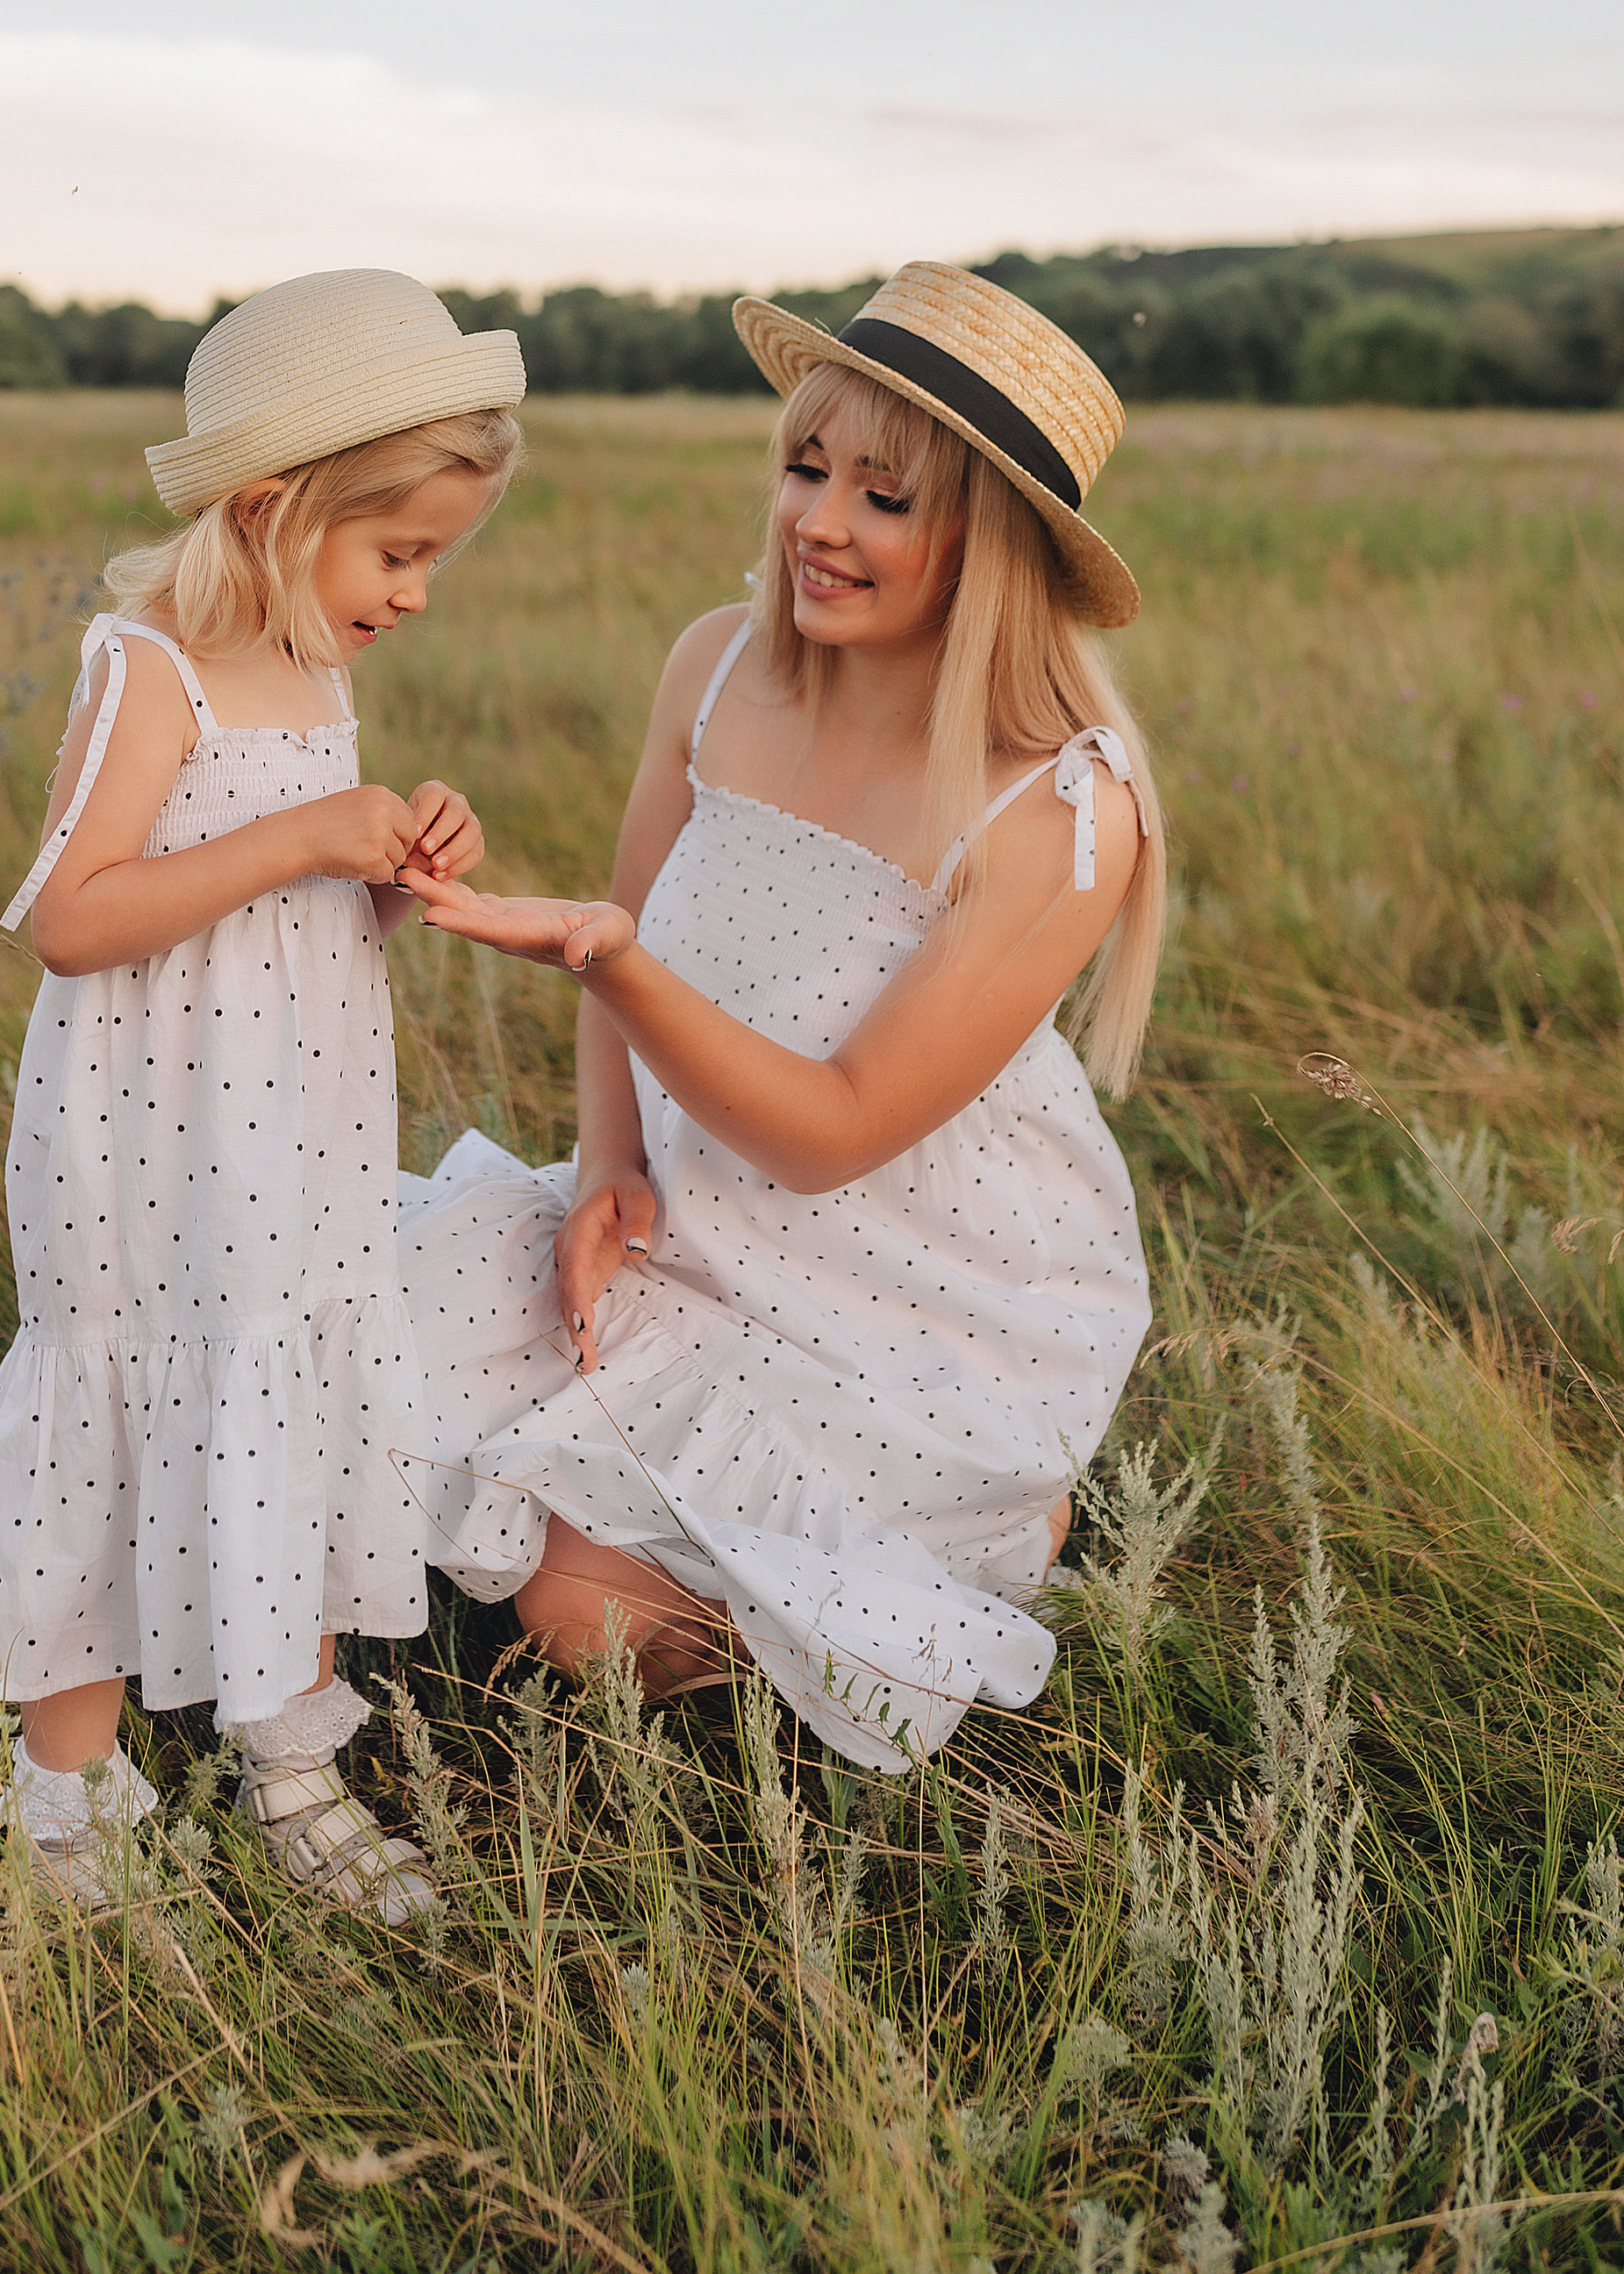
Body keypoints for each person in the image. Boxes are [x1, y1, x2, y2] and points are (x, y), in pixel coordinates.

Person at [396, 262, 1163, 1771]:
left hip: (905, 1281)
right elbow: (633, 935)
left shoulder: (1056, 807)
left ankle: (972, 1514)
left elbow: (835, 1130)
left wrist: (609, 963)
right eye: (806, 467)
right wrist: (609, 1162)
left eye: (885, 496)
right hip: (691, 1205)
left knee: (581, 1619)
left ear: (993, 541)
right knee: (347, 1338)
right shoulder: (718, 662)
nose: (818, 520)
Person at [0, 268, 522, 1917]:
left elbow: (298, 909)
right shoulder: (150, 667)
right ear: (275, 511)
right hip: (146, 1134)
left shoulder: (316, 668)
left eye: (434, 561)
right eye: (396, 552)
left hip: (295, 1123)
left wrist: (392, 874)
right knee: (118, 1393)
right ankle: (64, 1792)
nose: (415, 593)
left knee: (299, 1382)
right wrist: (295, 839)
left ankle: (293, 1763)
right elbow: (72, 915)